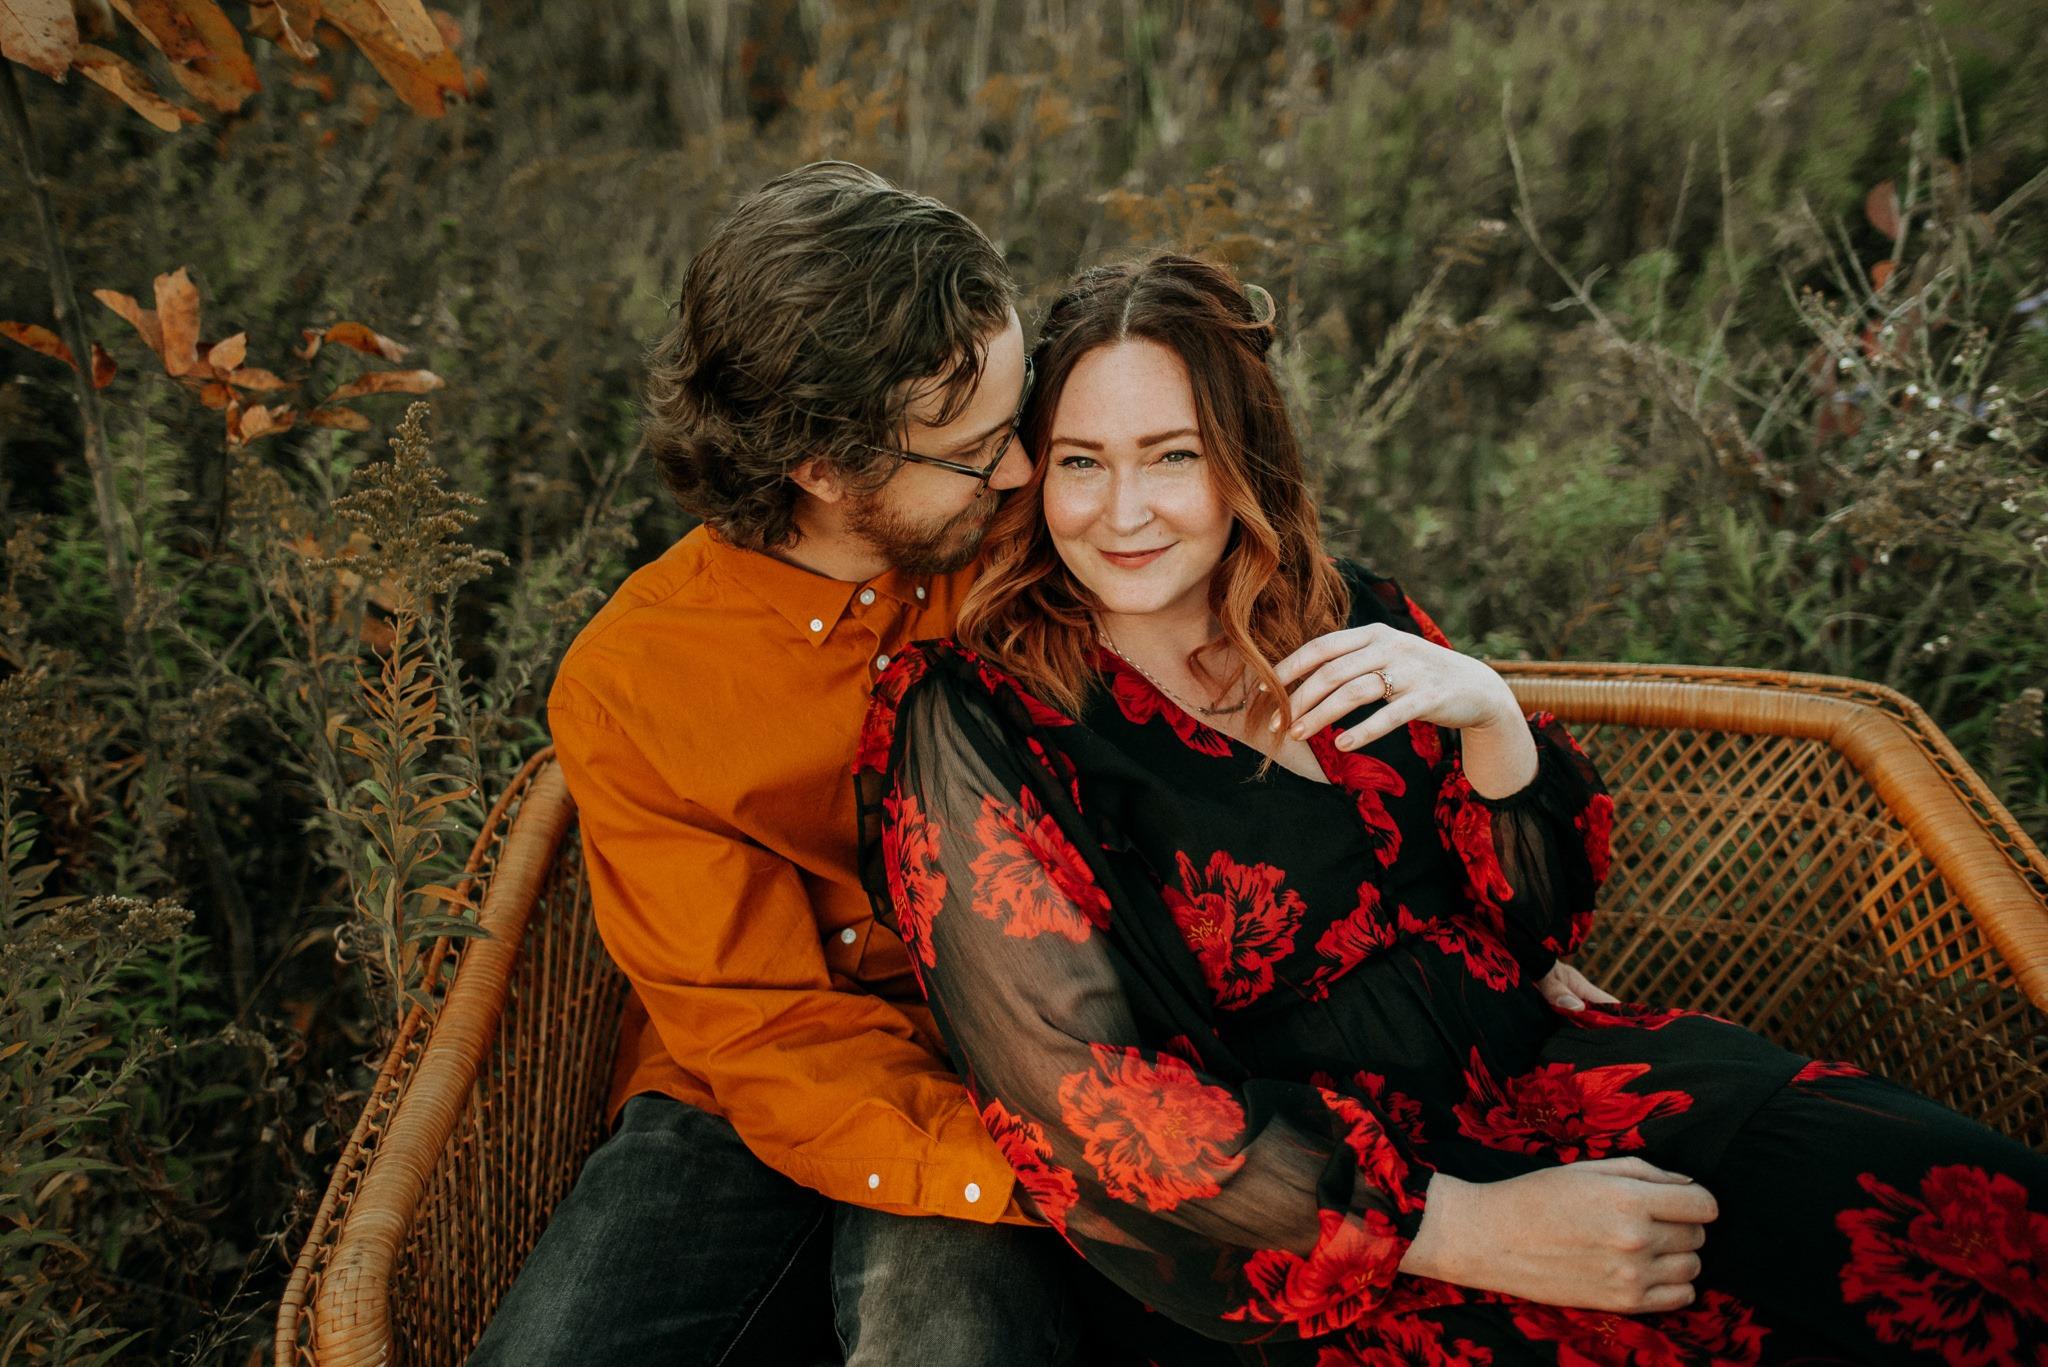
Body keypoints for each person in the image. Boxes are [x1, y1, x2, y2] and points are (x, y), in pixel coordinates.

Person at [856, 252, 2048, 1365]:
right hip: (1330, 1228)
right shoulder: (978, 718)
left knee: (1979, 1223)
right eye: (1079, 460)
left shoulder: (1346, 612)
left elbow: (1538, 925)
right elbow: (1076, 1091)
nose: (1123, 511)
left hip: (1564, 1076)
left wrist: (1492, 721)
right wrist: (1461, 1227)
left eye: (1171, 454)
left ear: (1242, 458)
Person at [469, 161, 1080, 1366]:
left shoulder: (1032, 543)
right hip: (742, 1088)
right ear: (821, 464)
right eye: (971, 451)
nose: (1017, 474)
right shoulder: (635, 682)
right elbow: (762, 1030)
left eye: (1014, 428)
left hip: (1016, 1050)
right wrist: (1020, 1182)